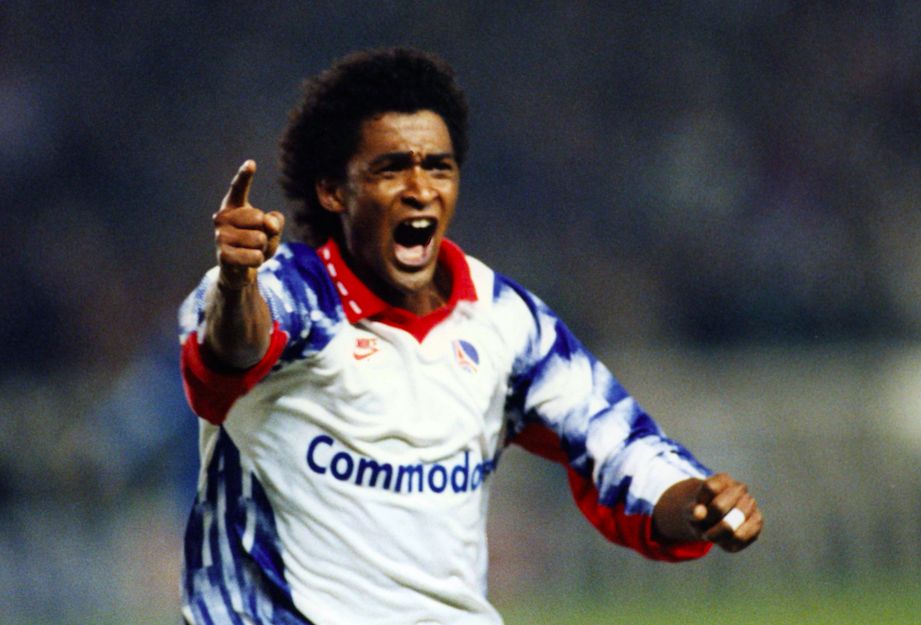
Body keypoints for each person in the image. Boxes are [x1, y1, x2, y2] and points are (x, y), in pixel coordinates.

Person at [178, 47, 762, 625]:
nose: (420, 188)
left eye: (438, 166)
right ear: (334, 190)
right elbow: (232, 351)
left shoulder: (503, 318)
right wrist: (236, 280)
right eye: (391, 168)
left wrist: (694, 502)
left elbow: (615, 441)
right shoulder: (287, 290)